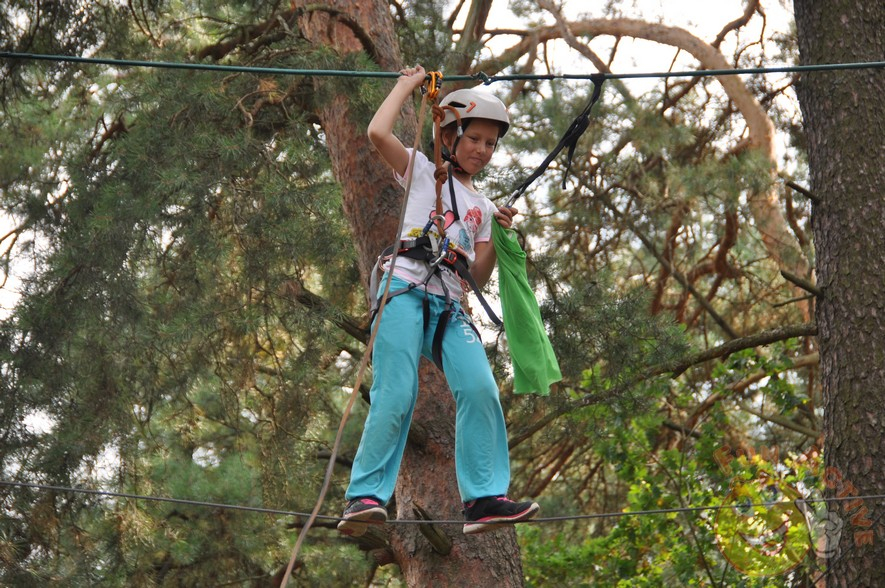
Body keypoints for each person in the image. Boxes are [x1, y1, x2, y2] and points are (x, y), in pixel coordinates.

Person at [337, 65, 539, 537]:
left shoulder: (483, 207)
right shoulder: (423, 170)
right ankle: (364, 496)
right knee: (397, 390)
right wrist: (405, 86)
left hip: (449, 304)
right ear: (449, 134)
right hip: (404, 287)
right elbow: (376, 133)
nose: (483, 150)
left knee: (481, 388)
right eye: (475, 139)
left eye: (491, 144)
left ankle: (484, 499)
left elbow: (476, 277)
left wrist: (498, 238)